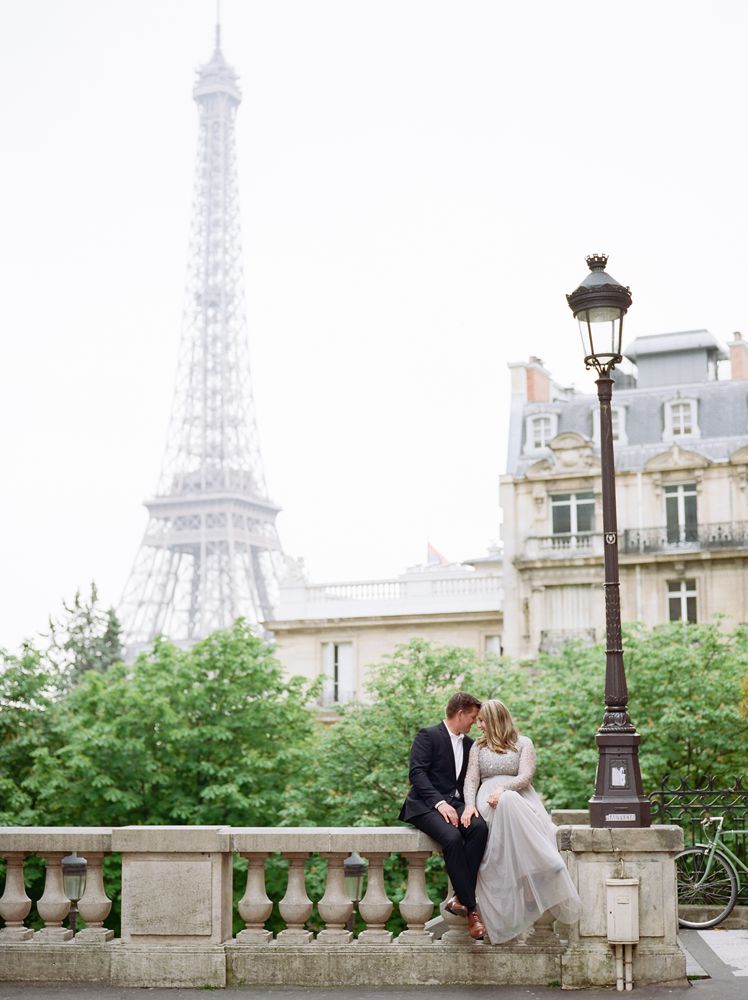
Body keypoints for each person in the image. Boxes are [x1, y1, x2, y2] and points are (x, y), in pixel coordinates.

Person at [460, 698, 582, 944]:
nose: (479, 726)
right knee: (499, 828)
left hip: (518, 799)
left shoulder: (523, 743)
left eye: (482, 721)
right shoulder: (478, 748)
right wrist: (470, 805)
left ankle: (545, 866)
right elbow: (471, 779)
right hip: (487, 803)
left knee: (509, 802)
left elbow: (526, 776)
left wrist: (503, 789)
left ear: (494, 721)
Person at [399, 692, 489, 940]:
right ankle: (472, 911)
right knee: (451, 838)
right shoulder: (427, 735)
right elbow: (417, 774)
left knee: (479, 829)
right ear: (460, 714)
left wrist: (470, 805)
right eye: (472, 717)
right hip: (425, 805)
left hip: (457, 804)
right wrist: (439, 803)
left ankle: (460, 897)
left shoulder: (471, 745)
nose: (474, 722)